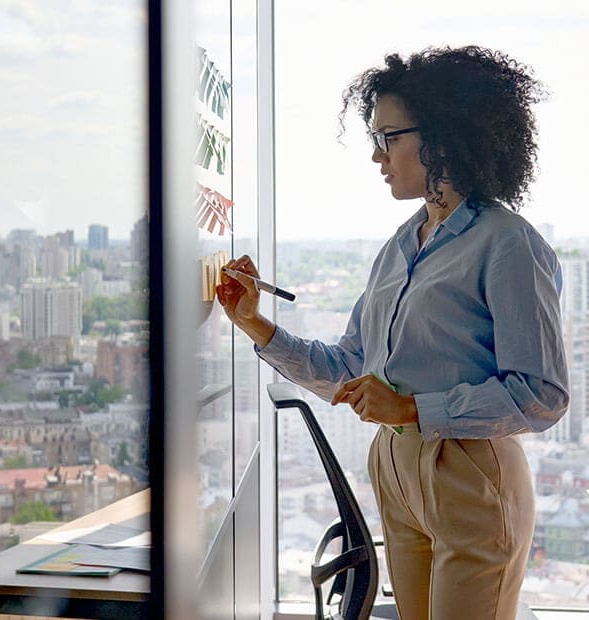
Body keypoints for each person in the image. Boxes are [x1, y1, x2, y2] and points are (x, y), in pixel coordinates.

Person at [216, 45, 569, 620]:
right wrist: (255, 322)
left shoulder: (509, 244)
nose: (377, 157)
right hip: (396, 470)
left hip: (469, 472)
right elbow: (350, 366)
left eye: (389, 137)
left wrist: (410, 409)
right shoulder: (401, 246)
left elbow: (542, 394)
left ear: (445, 138)